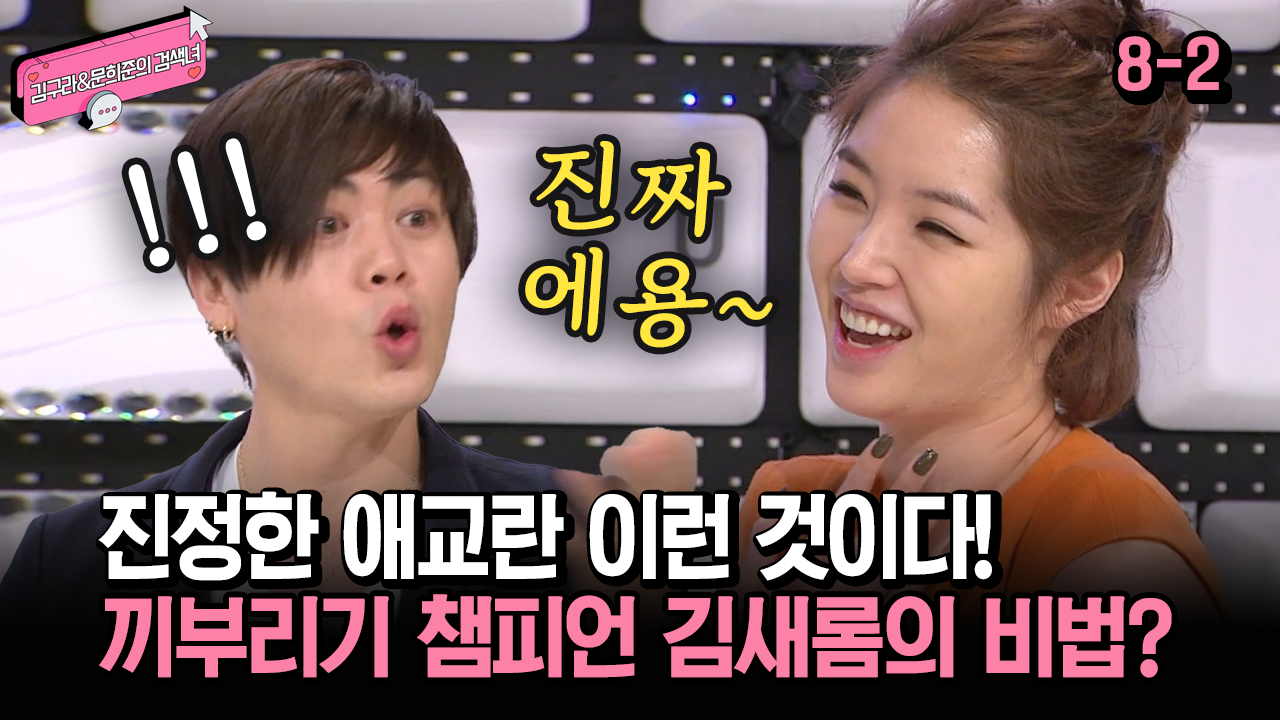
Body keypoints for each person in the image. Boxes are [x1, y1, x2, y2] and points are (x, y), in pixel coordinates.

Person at [0, 58, 693, 669]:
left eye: (417, 217)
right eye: (327, 224)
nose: (389, 263)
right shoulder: (69, 566)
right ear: (215, 288)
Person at [738, 0, 1228, 625]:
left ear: (1079, 286)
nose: (859, 262)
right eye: (850, 192)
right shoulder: (790, 507)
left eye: (938, 228)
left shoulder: (1112, 555)